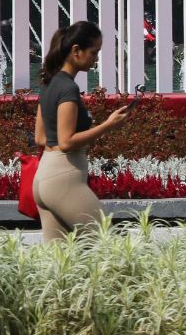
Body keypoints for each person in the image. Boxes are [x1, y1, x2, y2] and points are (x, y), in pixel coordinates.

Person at [32, 21, 132, 242]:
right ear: (76, 51)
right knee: (111, 246)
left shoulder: (48, 84)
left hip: (43, 178)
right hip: (64, 178)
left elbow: (40, 138)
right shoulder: (68, 88)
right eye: (94, 52)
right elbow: (67, 142)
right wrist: (108, 125)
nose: (96, 59)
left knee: (59, 264)